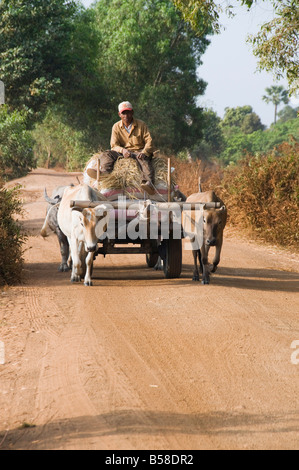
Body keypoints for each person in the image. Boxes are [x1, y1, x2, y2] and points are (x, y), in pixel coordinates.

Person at [88, 101, 156, 195]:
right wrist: (123, 150)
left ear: (132, 112)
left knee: (144, 161)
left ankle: (148, 183)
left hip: (138, 151)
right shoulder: (116, 126)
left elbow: (149, 141)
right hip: (123, 152)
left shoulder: (141, 125)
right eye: (123, 113)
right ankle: (104, 173)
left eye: (128, 112)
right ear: (119, 114)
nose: (126, 115)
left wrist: (144, 152)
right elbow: (114, 145)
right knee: (107, 154)